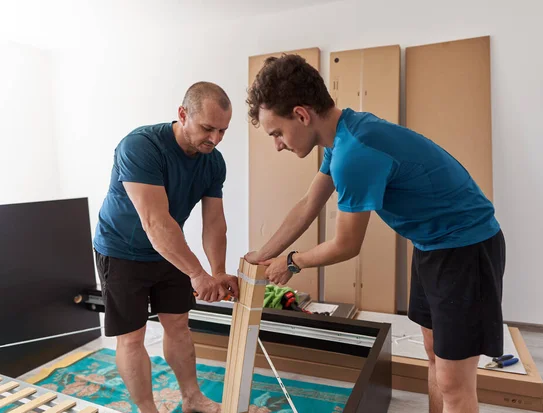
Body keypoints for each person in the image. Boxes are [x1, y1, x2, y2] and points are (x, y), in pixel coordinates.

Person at [244, 54, 506, 413]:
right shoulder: (343, 138)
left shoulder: (354, 153)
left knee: (454, 383)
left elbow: (347, 245)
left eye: (276, 133)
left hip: (465, 247)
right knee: (434, 355)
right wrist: (261, 255)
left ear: (302, 115)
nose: (277, 144)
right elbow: (309, 203)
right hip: (432, 245)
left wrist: (292, 262)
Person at [93, 82, 239, 413]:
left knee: (178, 325)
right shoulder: (141, 146)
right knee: (131, 336)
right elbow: (155, 223)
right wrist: (197, 274)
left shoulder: (213, 162)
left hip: (170, 249)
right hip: (121, 250)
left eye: (222, 130)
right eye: (207, 128)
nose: (215, 139)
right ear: (182, 114)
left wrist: (216, 272)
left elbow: (214, 223)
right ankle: (148, 410)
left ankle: (192, 399)